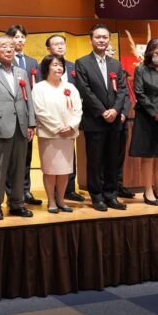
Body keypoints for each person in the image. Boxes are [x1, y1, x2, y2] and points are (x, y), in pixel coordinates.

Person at [0, 35, 36, 220]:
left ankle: (17, 204)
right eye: (4, 46)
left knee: (20, 168)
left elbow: (28, 99)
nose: (9, 49)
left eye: (11, 46)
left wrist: (31, 123)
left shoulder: (21, 72)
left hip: (21, 126)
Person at [74, 24, 128, 211]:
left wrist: (115, 110)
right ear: (91, 40)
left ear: (109, 40)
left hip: (114, 121)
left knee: (113, 160)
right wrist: (103, 111)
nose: (102, 40)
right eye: (98, 37)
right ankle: (96, 196)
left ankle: (111, 195)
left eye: (105, 37)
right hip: (95, 120)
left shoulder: (116, 64)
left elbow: (122, 90)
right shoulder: (82, 63)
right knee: (95, 161)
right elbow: (85, 90)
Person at [129, 39, 158, 206]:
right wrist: (155, 113)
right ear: (150, 53)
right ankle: (148, 191)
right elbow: (140, 94)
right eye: (157, 53)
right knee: (148, 156)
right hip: (147, 117)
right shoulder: (141, 69)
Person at [32, 55, 82, 214]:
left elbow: (78, 109)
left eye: (60, 65)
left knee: (64, 170)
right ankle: (51, 201)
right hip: (49, 135)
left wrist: (71, 125)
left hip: (68, 135)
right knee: (50, 170)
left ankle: (61, 200)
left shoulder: (70, 87)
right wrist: (59, 127)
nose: (58, 68)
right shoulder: (39, 88)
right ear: (46, 67)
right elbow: (40, 111)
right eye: (54, 65)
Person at [43, 34, 85, 203]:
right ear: (49, 49)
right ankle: (52, 194)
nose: (60, 46)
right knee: (52, 161)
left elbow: (80, 92)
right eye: (56, 44)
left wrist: (73, 122)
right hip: (51, 122)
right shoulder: (43, 67)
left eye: (62, 43)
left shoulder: (73, 66)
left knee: (69, 157)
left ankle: (69, 189)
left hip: (70, 120)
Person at [5, 24, 43, 206]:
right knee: (10, 157)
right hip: (10, 114)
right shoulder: (4, 60)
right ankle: (11, 192)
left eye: (22, 37)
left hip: (28, 114)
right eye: (16, 36)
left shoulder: (32, 62)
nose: (19, 40)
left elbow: (38, 89)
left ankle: (25, 190)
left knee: (26, 155)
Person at [109, 48, 135, 200]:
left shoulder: (120, 71)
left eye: (112, 50)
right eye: (108, 50)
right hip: (105, 119)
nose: (111, 52)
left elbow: (125, 95)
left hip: (121, 120)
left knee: (119, 155)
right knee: (106, 157)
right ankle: (106, 187)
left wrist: (124, 113)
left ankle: (119, 185)